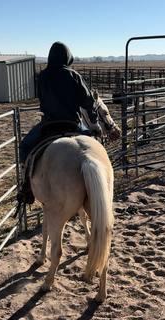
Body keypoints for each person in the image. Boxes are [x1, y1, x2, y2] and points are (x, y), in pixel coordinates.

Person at [18, 41, 101, 205]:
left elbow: (42, 101)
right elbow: (88, 102)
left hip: (49, 125)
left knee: (25, 147)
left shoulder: (42, 76)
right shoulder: (74, 75)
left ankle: (26, 187)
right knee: (94, 146)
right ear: (68, 57)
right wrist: (95, 123)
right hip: (73, 124)